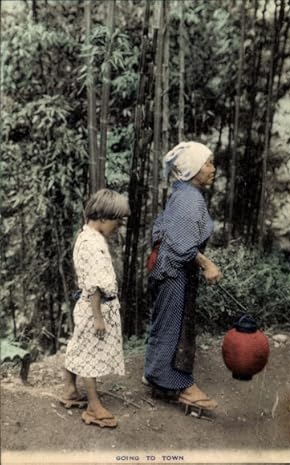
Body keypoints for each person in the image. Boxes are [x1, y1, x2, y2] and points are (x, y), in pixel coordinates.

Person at [144, 141, 222, 412]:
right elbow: (181, 243)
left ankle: (156, 376)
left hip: (168, 268)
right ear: (191, 170)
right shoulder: (189, 198)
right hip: (174, 270)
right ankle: (181, 386)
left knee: (165, 322)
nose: (213, 169)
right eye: (208, 163)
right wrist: (207, 264)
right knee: (174, 327)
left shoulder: (182, 193)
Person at [61, 189, 130, 428]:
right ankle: (93, 406)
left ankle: (70, 390)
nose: (118, 227)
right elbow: (94, 285)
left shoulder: (88, 236)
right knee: (90, 354)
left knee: (80, 345)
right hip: (95, 307)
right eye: (116, 222)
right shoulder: (92, 244)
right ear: (102, 218)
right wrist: (99, 317)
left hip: (89, 306)